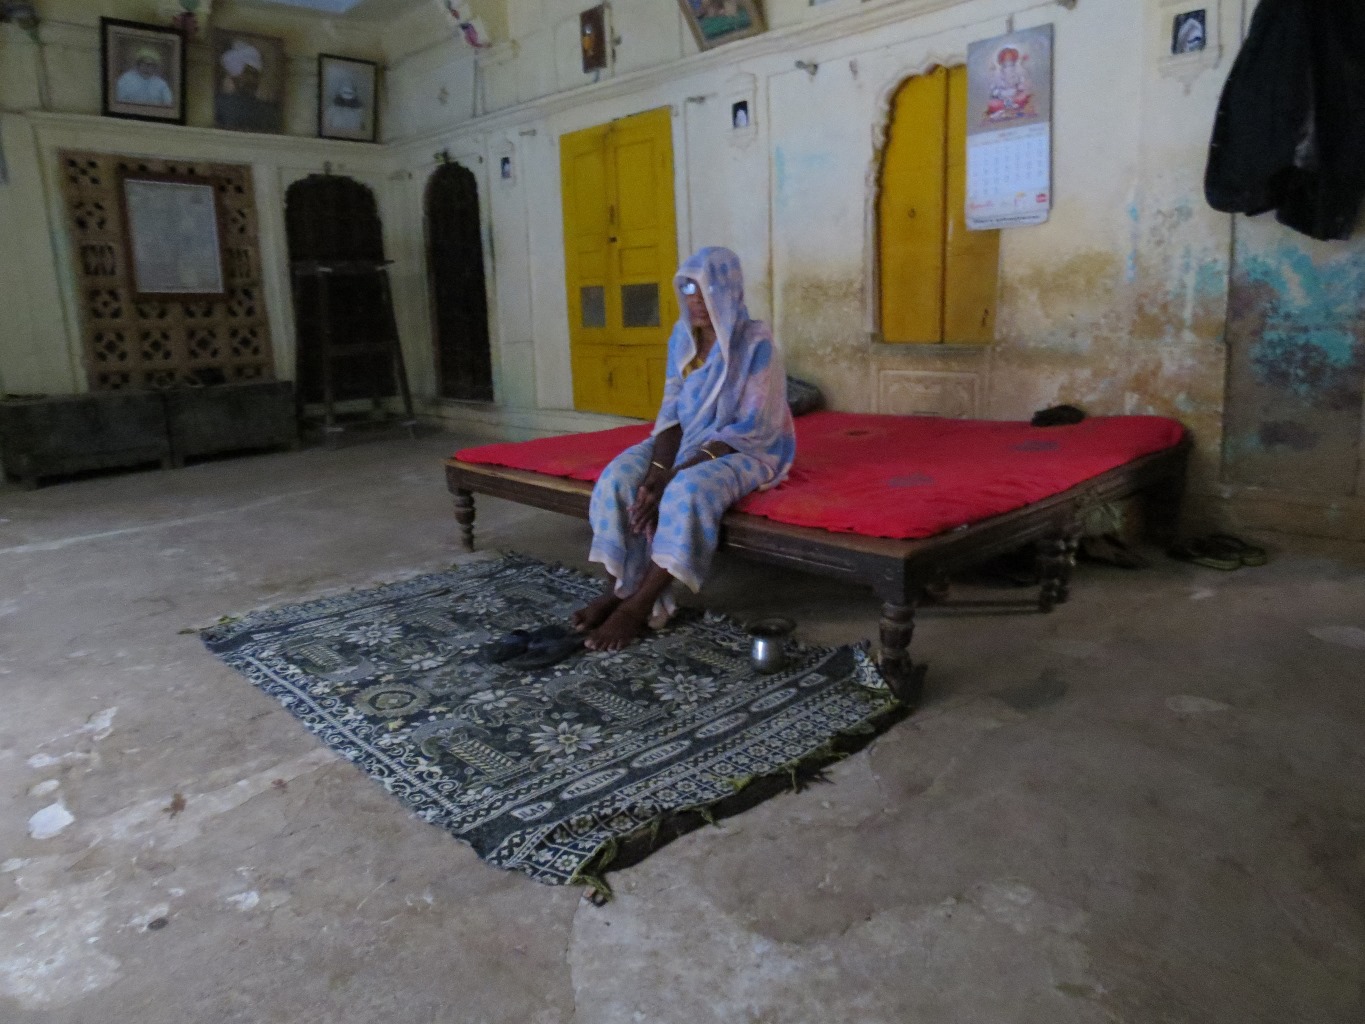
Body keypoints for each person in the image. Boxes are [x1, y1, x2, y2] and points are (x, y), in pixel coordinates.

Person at [572, 247, 796, 651]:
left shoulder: (754, 344)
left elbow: (750, 427)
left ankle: (637, 607)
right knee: (618, 477)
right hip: (689, 436)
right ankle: (618, 588)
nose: (696, 300)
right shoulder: (682, 337)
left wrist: (674, 475)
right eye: (688, 289)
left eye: (706, 288)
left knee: (687, 490)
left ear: (728, 290)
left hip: (745, 448)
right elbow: (671, 411)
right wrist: (657, 469)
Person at [215, 39, 281, 133]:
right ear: (234, 75)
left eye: (255, 75)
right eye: (247, 73)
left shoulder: (267, 112)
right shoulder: (217, 105)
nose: (252, 79)